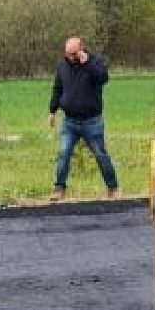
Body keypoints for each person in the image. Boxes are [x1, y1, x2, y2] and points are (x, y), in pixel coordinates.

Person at [47, 36, 115, 202]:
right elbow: (58, 88)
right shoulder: (62, 66)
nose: (70, 57)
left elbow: (103, 79)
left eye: (73, 54)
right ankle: (59, 189)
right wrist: (52, 111)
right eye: (68, 54)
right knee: (63, 153)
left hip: (92, 121)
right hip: (70, 121)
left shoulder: (95, 62)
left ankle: (113, 188)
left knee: (100, 155)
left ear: (81, 49)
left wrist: (88, 64)